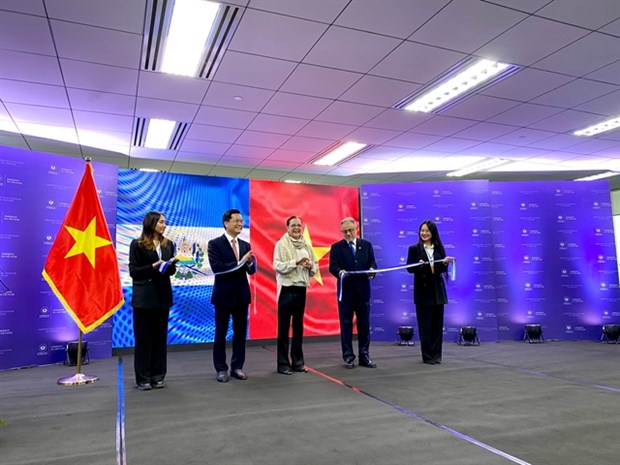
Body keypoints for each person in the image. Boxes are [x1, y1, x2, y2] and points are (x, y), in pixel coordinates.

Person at [129, 211, 178, 390]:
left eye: (165, 222)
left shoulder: (168, 244)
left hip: (162, 297)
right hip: (144, 298)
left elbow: (170, 272)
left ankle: (158, 376)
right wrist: (153, 266)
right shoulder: (137, 244)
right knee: (143, 340)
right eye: (161, 222)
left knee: (159, 338)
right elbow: (134, 271)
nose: (164, 225)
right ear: (151, 223)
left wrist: (171, 266)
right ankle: (142, 378)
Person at [207, 209, 256, 383]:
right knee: (220, 333)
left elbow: (250, 271)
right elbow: (217, 267)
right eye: (236, 221)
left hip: (241, 295)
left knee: (240, 333)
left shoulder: (245, 245)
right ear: (226, 223)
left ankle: (237, 367)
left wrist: (250, 263)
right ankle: (221, 368)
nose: (240, 224)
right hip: (223, 295)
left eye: (242, 221)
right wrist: (240, 262)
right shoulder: (215, 244)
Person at [329, 217, 377, 369]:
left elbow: (372, 263)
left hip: (363, 292)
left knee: (364, 325)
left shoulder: (367, 245)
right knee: (346, 325)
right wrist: (340, 272)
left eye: (350, 230)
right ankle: (348, 357)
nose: (348, 234)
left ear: (356, 229)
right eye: (345, 231)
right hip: (346, 294)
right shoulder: (336, 247)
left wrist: (372, 271)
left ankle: (364, 356)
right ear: (341, 232)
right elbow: (332, 267)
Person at [273, 216, 318, 375]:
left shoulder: (306, 245)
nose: (297, 228)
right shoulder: (281, 244)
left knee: (298, 327)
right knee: (284, 328)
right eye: (293, 225)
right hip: (286, 289)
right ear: (287, 227)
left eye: (299, 225)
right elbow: (277, 266)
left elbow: (315, 267)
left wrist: (310, 265)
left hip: (301, 289)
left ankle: (298, 362)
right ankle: (283, 364)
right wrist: (296, 262)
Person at [406, 220, 455, 365]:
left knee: (437, 326)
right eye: (422, 230)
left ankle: (437, 355)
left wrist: (444, 263)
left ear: (432, 232)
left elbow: (440, 270)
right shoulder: (414, 249)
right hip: (423, 292)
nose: (424, 233)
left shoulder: (439, 248)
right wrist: (419, 266)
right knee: (425, 326)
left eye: (427, 231)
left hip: (437, 292)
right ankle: (427, 356)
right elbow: (409, 268)